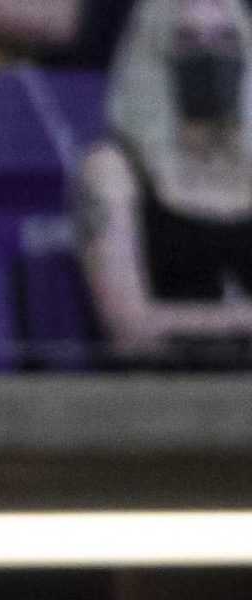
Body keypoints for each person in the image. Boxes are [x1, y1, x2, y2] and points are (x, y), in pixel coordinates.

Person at [77, 0, 252, 363]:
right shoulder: (112, 170)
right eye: (188, 41)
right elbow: (129, 329)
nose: (211, 55)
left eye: (225, 40)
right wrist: (239, 320)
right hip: (159, 395)